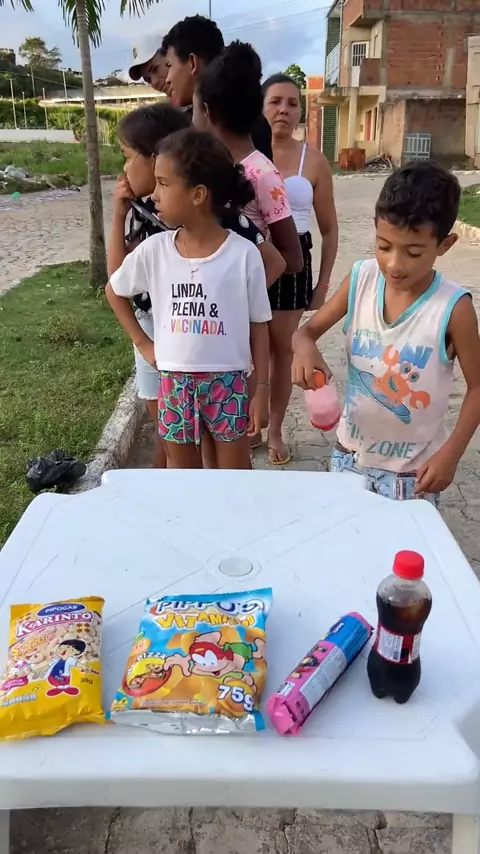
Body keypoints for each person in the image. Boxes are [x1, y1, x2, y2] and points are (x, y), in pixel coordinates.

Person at [108, 103, 285, 469]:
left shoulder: (244, 255)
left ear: (198, 194)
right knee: (184, 478)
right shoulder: (155, 251)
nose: (155, 195)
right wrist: (143, 343)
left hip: (229, 383)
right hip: (174, 384)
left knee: (233, 475)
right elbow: (115, 290)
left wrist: (261, 390)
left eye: (164, 184)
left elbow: (259, 326)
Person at [292, 161, 480, 502]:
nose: (394, 264)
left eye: (413, 252)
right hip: (349, 459)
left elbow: (478, 387)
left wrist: (451, 453)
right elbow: (306, 333)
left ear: (445, 245)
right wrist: (305, 349)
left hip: (412, 475)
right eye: (384, 246)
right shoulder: (361, 279)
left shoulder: (453, 308)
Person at [193, 41, 304, 465]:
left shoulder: (262, 173)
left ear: (208, 112)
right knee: (210, 424)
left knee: (231, 424)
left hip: (238, 317)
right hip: (209, 317)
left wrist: (241, 292)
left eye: (196, 109)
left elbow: (292, 257)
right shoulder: (205, 171)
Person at [263, 73, 338, 312]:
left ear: (300, 113)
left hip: (294, 264)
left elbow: (329, 230)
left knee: (285, 338)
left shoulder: (314, 161)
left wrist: (322, 286)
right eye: (275, 102)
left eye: (292, 104)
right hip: (251, 257)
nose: (283, 110)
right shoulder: (243, 155)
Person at [161, 15, 273, 160]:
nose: (168, 79)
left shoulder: (240, 124)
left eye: (169, 65)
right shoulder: (251, 117)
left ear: (193, 62)